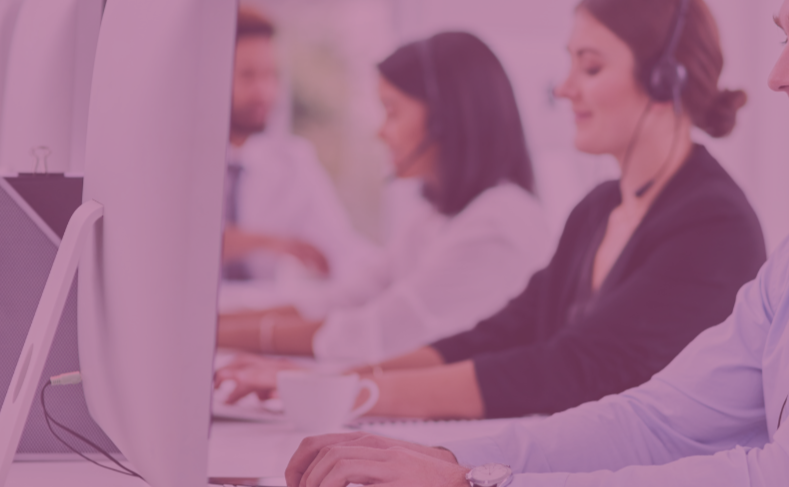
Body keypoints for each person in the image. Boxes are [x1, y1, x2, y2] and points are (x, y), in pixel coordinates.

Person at [281, 0, 789, 485]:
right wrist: (446, 459)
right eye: (786, 37)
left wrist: (475, 481)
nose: (778, 75)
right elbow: (654, 421)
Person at [216, 0, 767, 419]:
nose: (564, 87)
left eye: (591, 66)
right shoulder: (599, 208)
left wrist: (352, 392)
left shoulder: (713, 225)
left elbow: (568, 368)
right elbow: (502, 333)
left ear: (666, 81)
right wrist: (329, 383)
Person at [217, 31, 552, 363]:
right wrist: (215, 324)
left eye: (392, 112)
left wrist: (219, 335)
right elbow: (347, 298)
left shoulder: (498, 222)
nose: (380, 131)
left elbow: (376, 332)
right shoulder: (435, 217)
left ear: (444, 118)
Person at [222, 8, 370, 281]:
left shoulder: (294, 161)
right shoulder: (175, 162)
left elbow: (341, 248)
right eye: (247, 75)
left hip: (262, 307)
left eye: (271, 75)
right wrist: (265, 242)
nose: (263, 91)